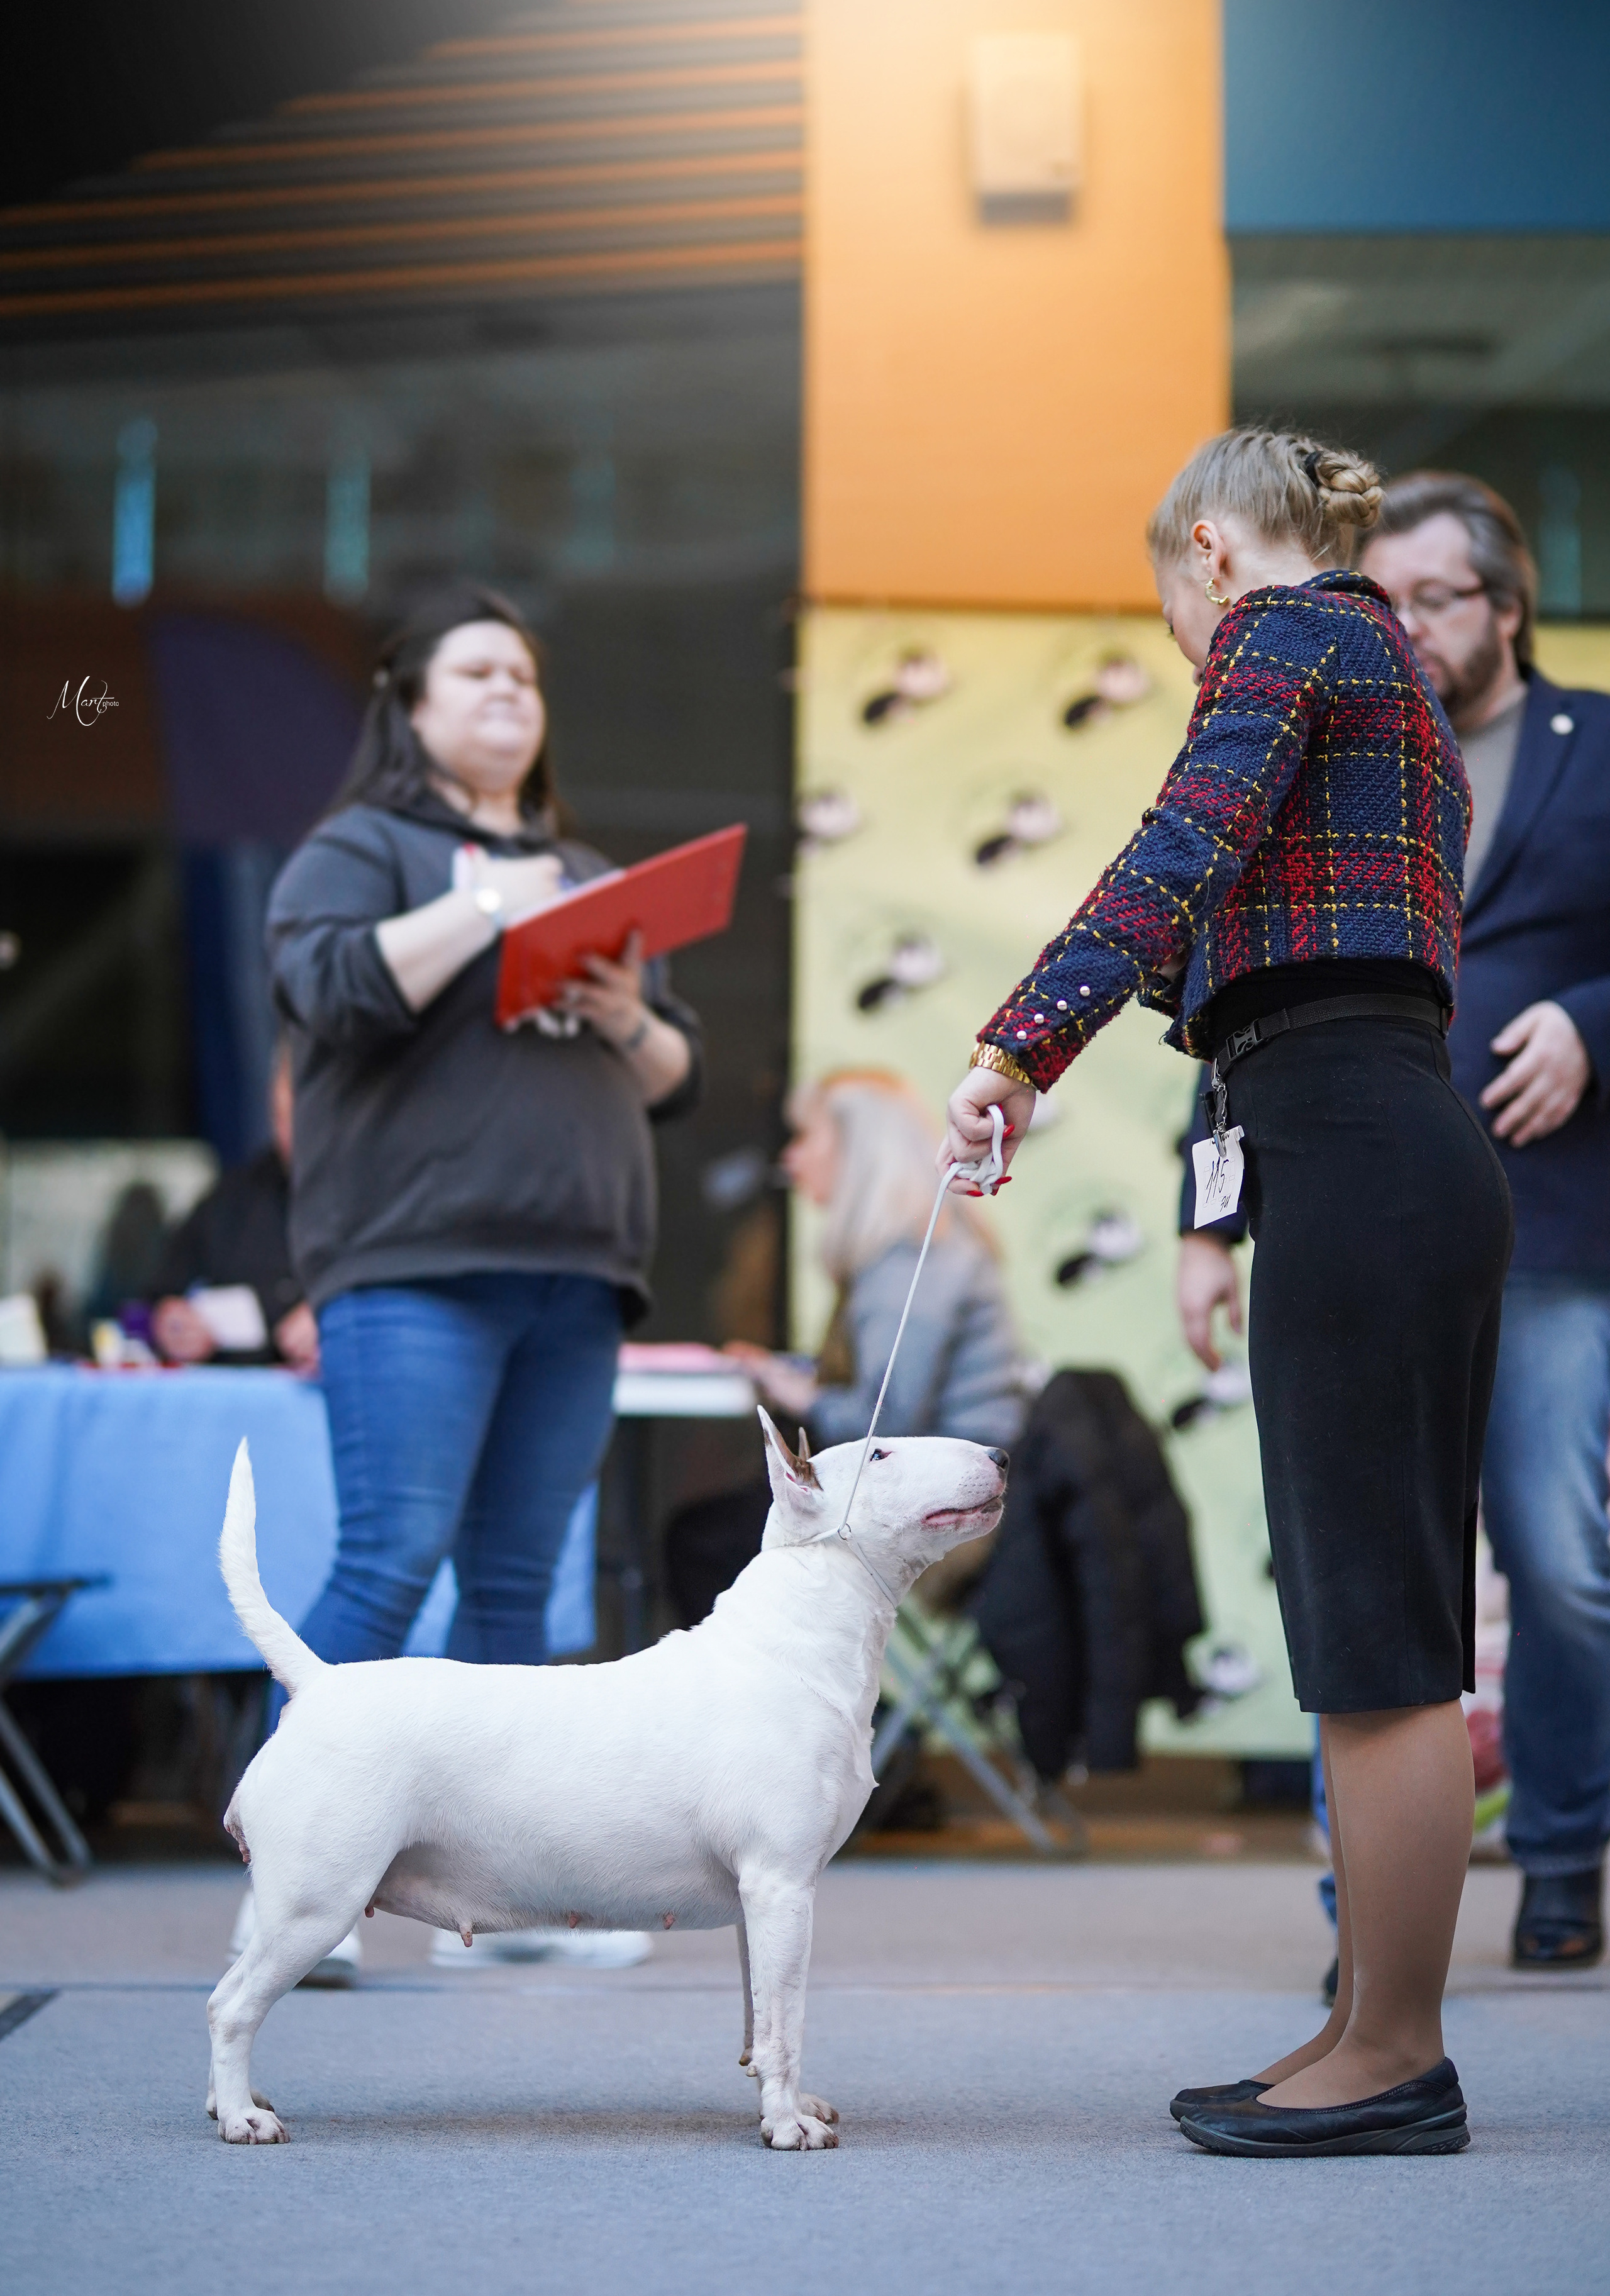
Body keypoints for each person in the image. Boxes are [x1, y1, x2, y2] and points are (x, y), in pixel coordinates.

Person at [945, 427, 1511, 2157]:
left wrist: (1016, 1045)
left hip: (1351, 1147)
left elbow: (1172, 856)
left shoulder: (1286, 633)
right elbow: (1273, 954)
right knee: (1366, 1610)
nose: (1199, 667)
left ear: (1208, 551)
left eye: (1178, 625)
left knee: (1379, 1624)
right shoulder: (1391, 678)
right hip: (1360, 1138)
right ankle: (1363, 2021)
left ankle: (1398, 2049)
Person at [257, 582, 702, 1976]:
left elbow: (674, 1072)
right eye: (477, 672)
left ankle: (502, 1908)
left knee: (516, 1587)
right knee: (389, 1560)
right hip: (414, 1263)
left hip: (578, 1268)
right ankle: (295, 1885)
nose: (511, 692)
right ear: (409, 701)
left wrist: (627, 1013)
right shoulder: (360, 844)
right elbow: (324, 987)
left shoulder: (585, 869)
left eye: (525, 674)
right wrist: (483, 906)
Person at [1361, 476, 1610, 1968]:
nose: (1398, 626)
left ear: (1503, 609)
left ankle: (1563, 1845)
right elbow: (1248, 985)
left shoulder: (1600, 746)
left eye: (1429, 598)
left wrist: (1589, 1024)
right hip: (1364, 1225)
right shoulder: (1341, 758)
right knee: (1375, 1559)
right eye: (1374, 598)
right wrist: (1206, 1218)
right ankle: (1371, 1893)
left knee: (1556, 1556)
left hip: (1552, 1220)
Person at [664, 1069, 1024, 1627]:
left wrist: (802, 1395)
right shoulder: (910, 1257)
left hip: (963, 1510)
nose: (791, 1158)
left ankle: (783, 1706)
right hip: (964, 1493)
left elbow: (887, 1421)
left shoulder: (907, 1265)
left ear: (858, 1151)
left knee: (700, 1540)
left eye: (807, 1137)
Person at [150, 1040, 319, 1373]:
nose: (292, 1138)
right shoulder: (232, 1198)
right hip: (235, 1409)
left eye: (308, 1120)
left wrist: (343, 1320)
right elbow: (155, 1302)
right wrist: (171, 1323)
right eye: (281, 1118)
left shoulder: (389, 1203)